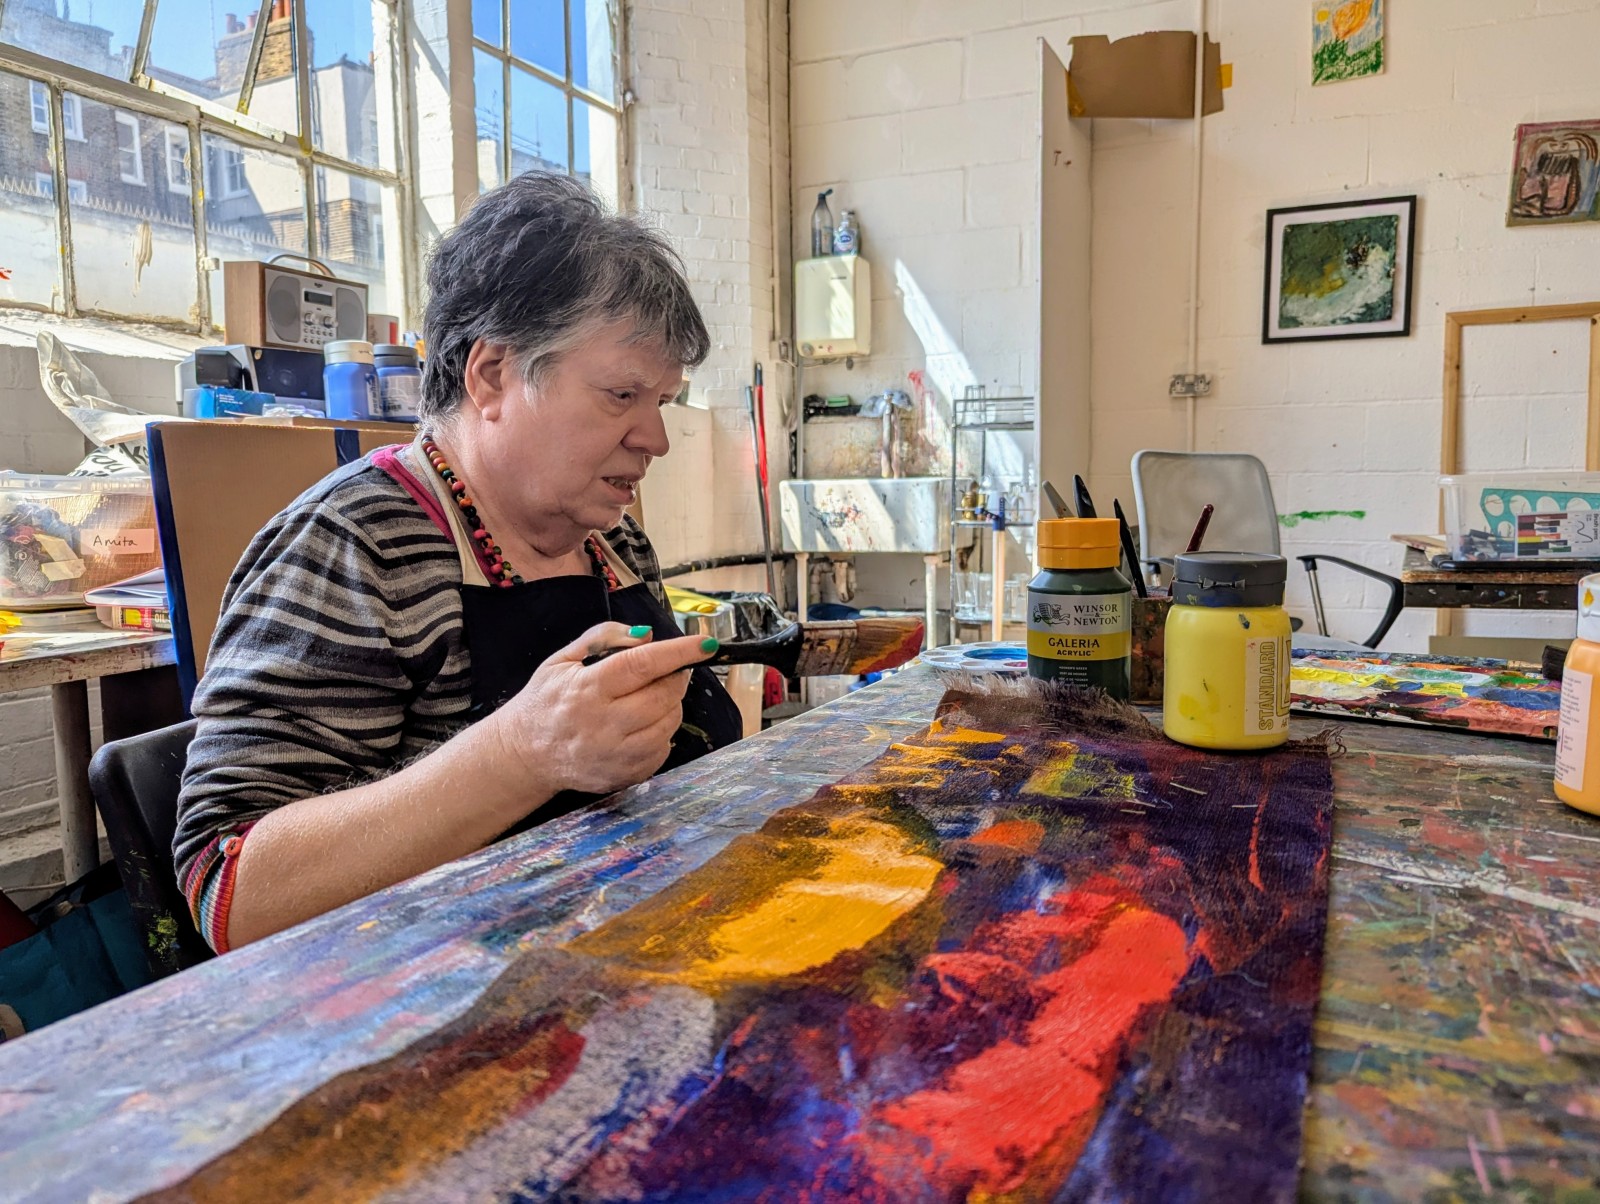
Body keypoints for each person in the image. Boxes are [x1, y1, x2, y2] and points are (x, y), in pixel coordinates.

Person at [174, 172, 743, 952]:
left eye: (663, 403)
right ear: (491, 375)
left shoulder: (610, 541)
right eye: (620, 395)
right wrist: (521, 753)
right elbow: (233, 893)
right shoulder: (356, 545)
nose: (656, 438)